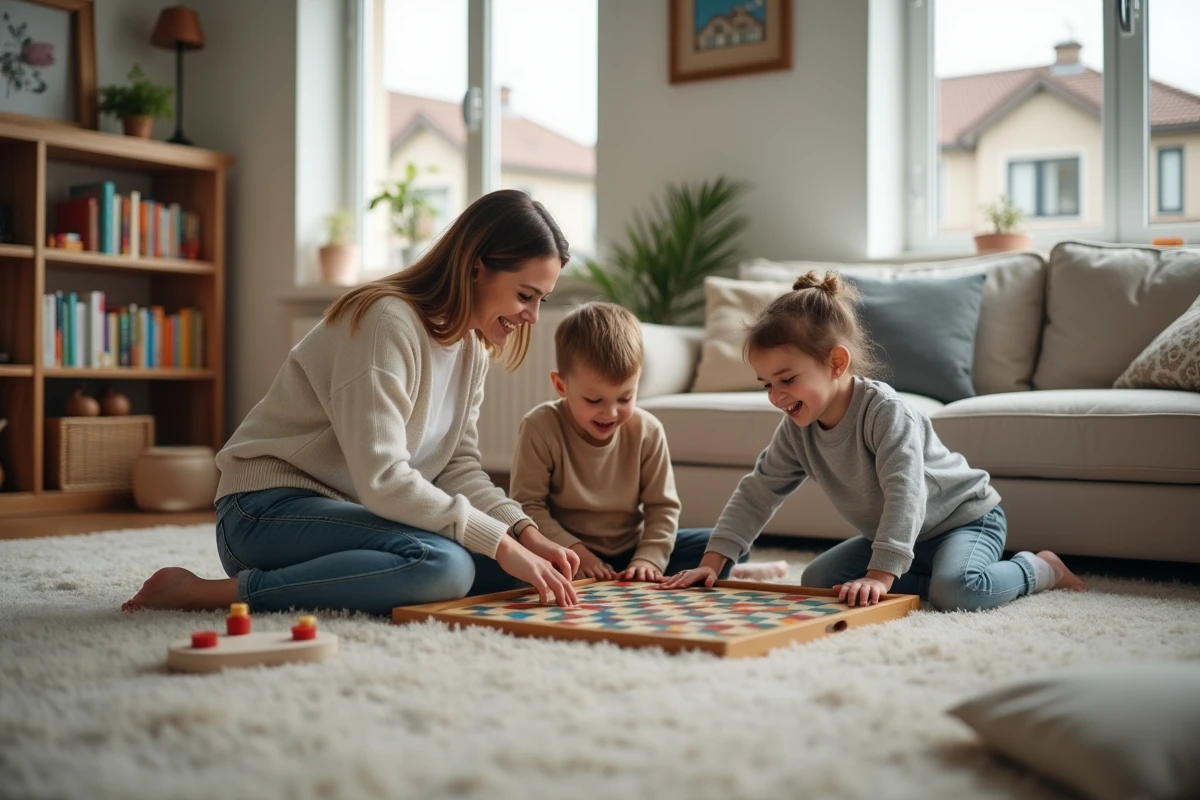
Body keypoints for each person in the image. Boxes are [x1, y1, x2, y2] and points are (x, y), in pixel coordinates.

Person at [124, 190, 582, 616]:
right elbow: (383, 478)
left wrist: (524, 534)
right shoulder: (387, 322)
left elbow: (458, 468)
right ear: (476, 267)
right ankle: (203, 592)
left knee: (513, 568)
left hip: (361, 519)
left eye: (542, 300)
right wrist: (500, 543)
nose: (533, 317)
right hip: (264, 512)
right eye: (526, 296)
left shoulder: (471, 350)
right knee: (448, 567)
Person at [662, 271, 1085, 609]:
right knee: (820, 580)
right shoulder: (796, 430)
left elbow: (906, 492)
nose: (776, 396)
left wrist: (881, 575)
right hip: (906, 536)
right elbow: (757, 491)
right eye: (766, 384)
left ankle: (1039, 567)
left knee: (960, 591)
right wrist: (713, 563)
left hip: (964, 520)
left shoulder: (885, 413)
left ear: (836, 362)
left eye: (787, 379)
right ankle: (927, 575)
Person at [509, 302, 787, 583]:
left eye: (625, 398)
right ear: (561, 386)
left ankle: (734, 570)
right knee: (504, 564)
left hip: (631, 550)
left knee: (722, 547)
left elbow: (662, 508)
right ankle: (734, 573)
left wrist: (647, 559)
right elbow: (528, 506)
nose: (611, 413)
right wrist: (575, 551)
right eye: (594, 400)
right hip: (563, 550)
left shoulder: (648, 430)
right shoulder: (540, 426)